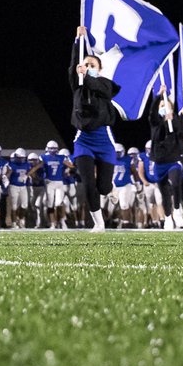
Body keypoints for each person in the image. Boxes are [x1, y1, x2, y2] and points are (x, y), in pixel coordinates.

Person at [69, 27, 122, 232]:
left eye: (92, 64)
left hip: (104, 140)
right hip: (83, 140)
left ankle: (110, 187)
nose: (87, 66)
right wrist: (78, 40)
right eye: (85, 64)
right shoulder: (78, 86)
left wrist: (88, 75)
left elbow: (100, 89)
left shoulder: (105, 85)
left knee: (103, 187)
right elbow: (74, 64)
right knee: (88, 183)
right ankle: (99, 223)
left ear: (99, 69)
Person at [148, 89, 183, 229]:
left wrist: (178, 118)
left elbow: (181, 134)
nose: (164, 108)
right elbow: (152, 113)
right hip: (159, 161)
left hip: (173, 160)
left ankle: (177, 211)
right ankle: (168, 218)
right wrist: (159, 96)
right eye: (161, 106)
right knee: (164, 192)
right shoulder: (155, 122)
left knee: (175, 182)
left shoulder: (175, 120)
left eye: (167, 105)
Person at [39, 141, 70, 229]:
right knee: (49, 204)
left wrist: (69, 169)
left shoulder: (61, 158)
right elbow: (39, 168)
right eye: (50, 148)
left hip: (59, 183)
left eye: (54, 148)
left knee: (58, 203)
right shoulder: (44, 157)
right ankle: (53, 223)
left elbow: (70, 167)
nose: (52, 150)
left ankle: (62, 221)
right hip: (49, 183)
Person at [138, 141, 165, 228]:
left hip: (158, 183)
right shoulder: (143, 156)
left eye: (151, 149)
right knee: (151, 203)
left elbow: (164, 170)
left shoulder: (161, 156)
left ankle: (162, 220)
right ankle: (154, 221)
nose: (149, 151)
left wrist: (161, 181)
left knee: (160, 202)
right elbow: (140, 171)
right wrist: (144, 181)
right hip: (148, 183)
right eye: (148, 149)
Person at [110, 144, 137, 228]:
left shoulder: (128, 160)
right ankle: (114, 221)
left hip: (125, 185)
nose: (117, 154)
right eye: (115, 152)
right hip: (113, 186)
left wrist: (136, 183)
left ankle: (126, 223)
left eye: (118, 152)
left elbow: (134, 172)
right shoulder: (110, 159)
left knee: (124, 205)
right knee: (111, 207)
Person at [5, 148, 32, 228]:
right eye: (19, 157)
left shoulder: (26, 164)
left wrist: (27, 176)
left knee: (24, 205)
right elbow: (7, 175)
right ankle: (14, 223)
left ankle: (20, 220)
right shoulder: (11, 164)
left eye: (22, 158)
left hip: (23, 186)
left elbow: (30, 171)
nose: (21, 159)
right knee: (14, 206)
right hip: (13, 186)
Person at [26, 152, 46, 228]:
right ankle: (31, 222)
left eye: (34, 160)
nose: (32, 162)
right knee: (30, 206)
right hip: (31, 189)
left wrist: (33, 172)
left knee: (38, 205)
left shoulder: (41, 169)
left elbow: (38, 180)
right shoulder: (26, 168)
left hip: (41, 188)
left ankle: (39, 223)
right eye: (31, 160)